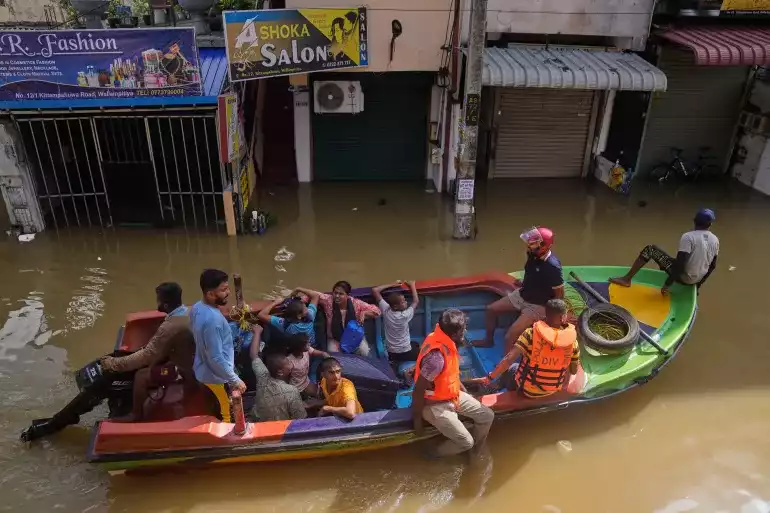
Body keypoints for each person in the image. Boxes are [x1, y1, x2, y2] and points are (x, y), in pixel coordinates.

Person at [100, 282, 196, 422]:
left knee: (141, 375)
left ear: (165, 305)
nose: (157, 303)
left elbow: (147, 356)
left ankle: (136, 415)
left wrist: (113, 364)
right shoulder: (189, 312)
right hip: (189, 360)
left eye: (158, 300)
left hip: (183, 371)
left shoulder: (170, 327)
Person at [413, 308, 494, 458]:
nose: (465, 332)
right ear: (454, 334)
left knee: (487, 416)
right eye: (463, 330)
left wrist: (466, 393)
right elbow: (418, 390)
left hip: (451, 395)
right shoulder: (436, 359)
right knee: (466, 442)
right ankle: (432, 455)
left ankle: (476, 451)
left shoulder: (443, 340)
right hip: (434, 405)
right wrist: (417, 420)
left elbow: (452, 374)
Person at [473, 226, 564, 351]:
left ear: (544, 246)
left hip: (537, 305)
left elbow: (559, 294)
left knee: (510, 336)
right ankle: (488, 340)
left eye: (534, 242)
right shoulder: (532, 254)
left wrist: (554, 315)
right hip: (523, 294)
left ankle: (506, 362)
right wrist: (524, 282)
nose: (529, 244)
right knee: (491, 310)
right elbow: (532, 272)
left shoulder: (553, 266)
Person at [477, 299, 579, 398]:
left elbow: (508, 359)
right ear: (563, 317)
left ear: (546, 314)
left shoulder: (531, 333)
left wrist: (490, 377)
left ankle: (491, 387)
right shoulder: (572, 341)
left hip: (527, 391)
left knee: (512, 367)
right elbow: (573, 370)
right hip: (552, 390)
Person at [610, 209, 719, 295]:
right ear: (710, 224)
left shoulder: (689, 237)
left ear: (694, 221)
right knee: (672, 259)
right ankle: (688, 281)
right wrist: (697, 286)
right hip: (697, 279)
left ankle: (626, 279)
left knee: (650, 249)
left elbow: (680, 264)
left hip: (684, 278)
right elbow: (712, 266)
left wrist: (667, 285)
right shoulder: (715, 240)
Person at [191, 269, 246, 423]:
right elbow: (215, 357)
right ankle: (227, 427)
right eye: (223, 290)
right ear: (210, 294)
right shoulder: (213, 321)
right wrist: (235, 380)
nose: (228, 292)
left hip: (204, 366)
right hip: (215, 375)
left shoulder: (196, 308)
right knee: (226, 409)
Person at [318, 281, 381, 356]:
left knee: (364, 351)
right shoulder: (328, 300)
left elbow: (377, 311)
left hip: (354, 336)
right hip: (335, 338)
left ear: (348, 295)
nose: (337, 296)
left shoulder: (356, 303)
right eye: (335, 293)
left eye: (341, 294)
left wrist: (365, 313)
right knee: (333, 355)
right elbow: (313, 295)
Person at [372, 280, 420, 364]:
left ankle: (394, 362)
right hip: (405, 352)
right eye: (403, 302)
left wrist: (392, 284)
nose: (406, 302)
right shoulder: (404, 315)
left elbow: (375, 290)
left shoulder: (386, 309)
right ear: (395, 306)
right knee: (419, 348)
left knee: (414, 344)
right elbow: (416, 301)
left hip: (391, 352)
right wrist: (412, 285)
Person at [252, 351, 308, 422]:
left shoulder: (261, 375)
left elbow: (254, 355)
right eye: (288, 363)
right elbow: (300, 418)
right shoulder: (291, 391)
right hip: (280, 427)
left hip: (259, 422)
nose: (291, 364)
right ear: (280, 372)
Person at [285, 334, 329, 398]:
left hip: (305, 382)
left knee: (322, 392)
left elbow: (314, 351)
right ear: (300, 347)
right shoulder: (289, 361)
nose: (309, 344)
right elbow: (285, 378)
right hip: (296, 388)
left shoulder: (306, 351)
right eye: (307, 344)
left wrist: (323, 354)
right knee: (320, 396)